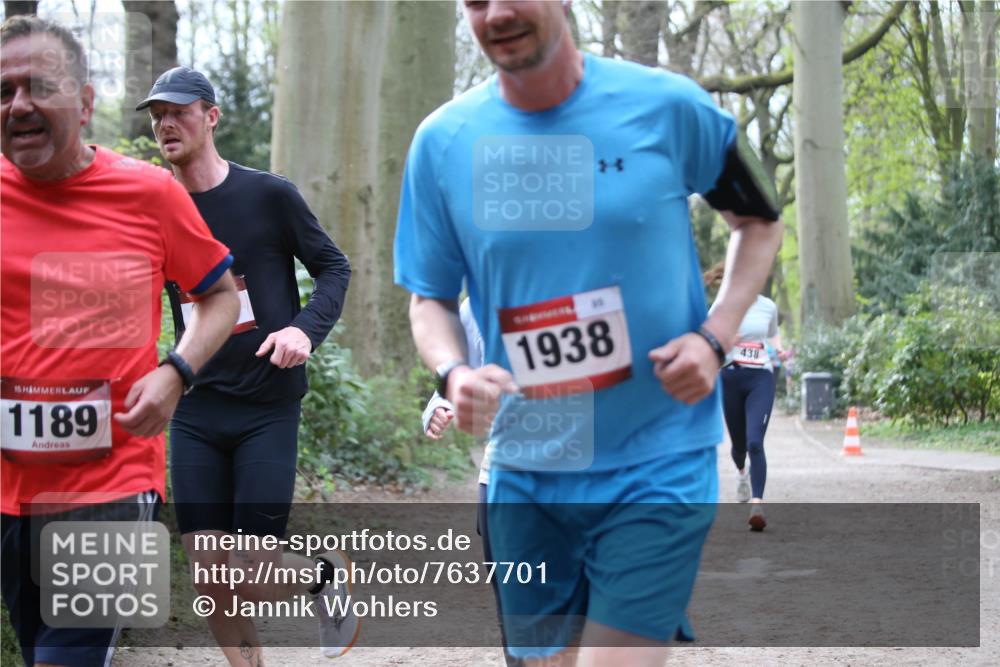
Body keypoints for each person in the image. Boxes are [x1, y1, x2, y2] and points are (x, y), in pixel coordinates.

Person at [394, 1, 783, 664]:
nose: (499, 12)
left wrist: (715, 338)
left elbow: (760, 219)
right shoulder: (444, 141)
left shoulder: (668, 107)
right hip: (527, 468)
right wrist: (454, 372)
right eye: (477, 0)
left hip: (657, 455)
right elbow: (428, 297)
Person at [1, 16, 240, 667]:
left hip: (111, 485)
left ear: (84, 102)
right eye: (3, 90)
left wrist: (177, 371)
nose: (17, 103)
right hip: (7, 492)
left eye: (38, 86)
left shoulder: (149, 192)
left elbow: (220, 297)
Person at [136, 66, 355, 664]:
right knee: (211, 582)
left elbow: (335, 268)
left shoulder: (268, 195)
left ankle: (322, 579)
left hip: (266, 406)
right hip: (195, 407)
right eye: (157, 116)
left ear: (211, 116)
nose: (165, 124)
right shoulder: (155, 205)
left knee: (253, 574)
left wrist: (303, 331)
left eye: (178, 111)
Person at [714, 294, 788, 531]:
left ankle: (757, 505)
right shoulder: (724, 302)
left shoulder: (768, 306)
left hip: (761, 377)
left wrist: (780, 349)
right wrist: (726, 340)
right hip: (730, 377)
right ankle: (741, 472)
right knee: (739, 446)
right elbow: (706, 335)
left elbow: (772, 333)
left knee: (755, 442)